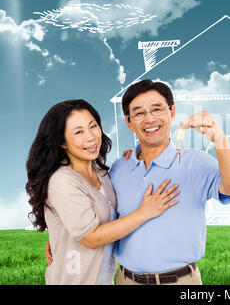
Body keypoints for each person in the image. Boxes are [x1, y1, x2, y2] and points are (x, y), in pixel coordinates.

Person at [26, 99, 179, 285]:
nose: (91, 137)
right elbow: (91, 238)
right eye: (78, 132)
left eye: (93, 126)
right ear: (61, 142)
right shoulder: (62, 180)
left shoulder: (99, 170)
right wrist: (145, 212)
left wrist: (132, 158)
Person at [111, 79, 230, 285]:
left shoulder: (196, 162)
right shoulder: (119, 168)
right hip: (125, 279)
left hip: (180, 281)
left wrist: (219, 138)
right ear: (129, 122)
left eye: (157, 109)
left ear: (172, 112)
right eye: (139, 113)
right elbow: (102, 218)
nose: (149, 119)